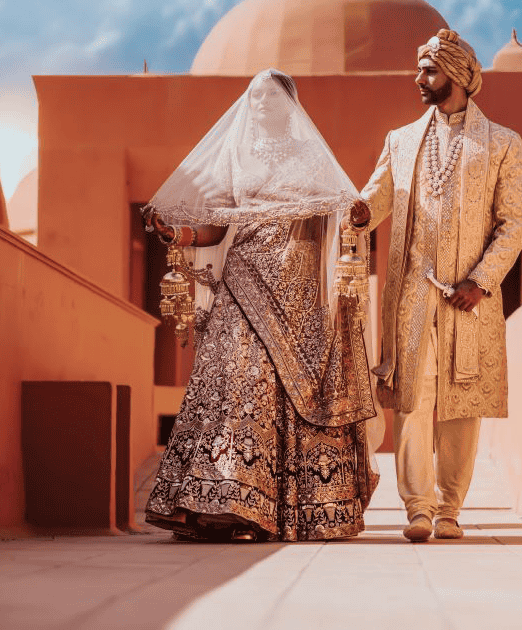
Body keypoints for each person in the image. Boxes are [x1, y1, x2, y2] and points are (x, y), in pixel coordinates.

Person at [143, 69, 378, 542]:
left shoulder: (312, 160)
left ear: (290, 105)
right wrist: (180, 234)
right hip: (244, 281)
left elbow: (343, 215)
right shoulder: (237, 158)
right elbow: (216, 226)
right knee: (232, 382)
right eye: (254, 98)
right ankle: (222, 504)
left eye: (270, 97)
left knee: (287, 391)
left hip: (298, 292)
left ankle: (278, 509)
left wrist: (351, 226)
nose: (260, 105)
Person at [348, 29, 522, 542]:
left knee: (462, 404)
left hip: (469, 297)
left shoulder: (501, 144)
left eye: (428, 70)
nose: (418, 79)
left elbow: (513, 224)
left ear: (455, 74)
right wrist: (355, 212)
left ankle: (451, 508)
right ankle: (418, 509)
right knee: (414, 398)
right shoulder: (400, 141)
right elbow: (374, 200)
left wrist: (481, 281)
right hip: (412, 295)